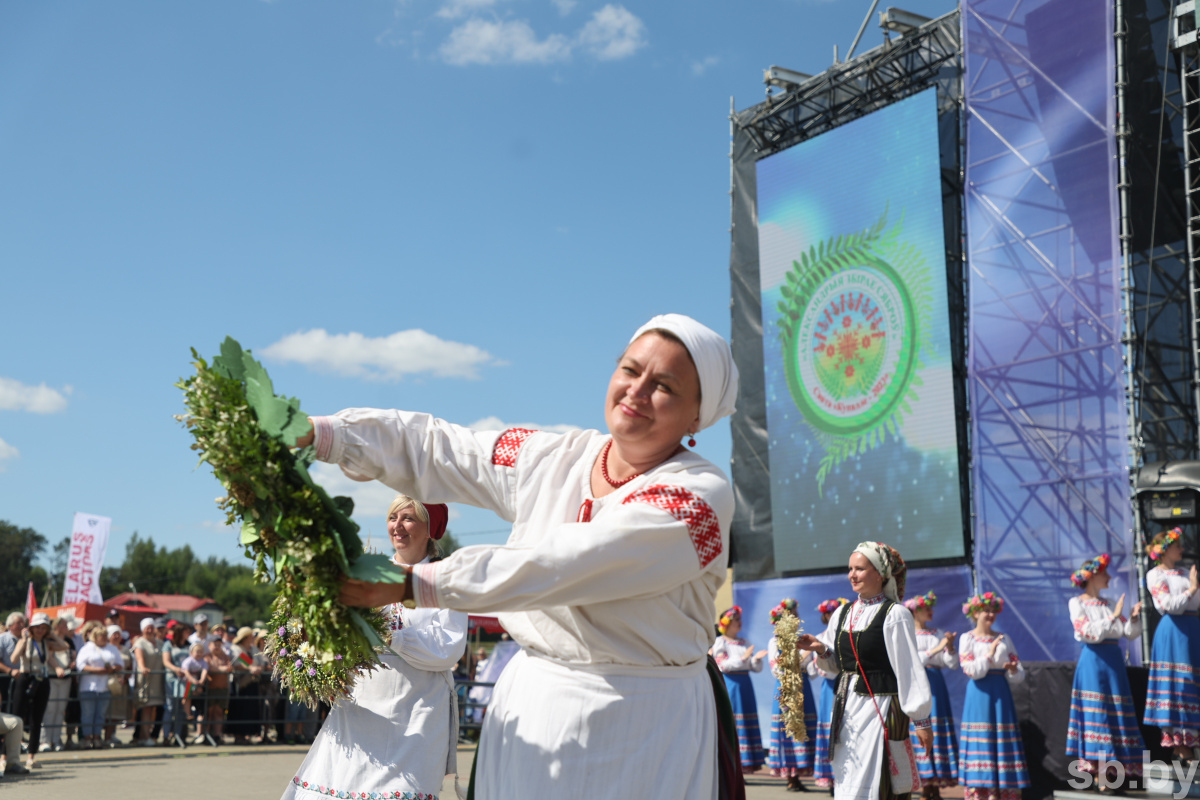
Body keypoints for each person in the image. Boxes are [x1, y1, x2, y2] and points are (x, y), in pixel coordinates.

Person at [301, 313, 738, 799]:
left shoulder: (698, 497)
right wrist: (325, 434)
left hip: (638, 724)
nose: (636, 391)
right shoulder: (554, 457)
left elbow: (572, 562)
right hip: (528, 708)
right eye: (630, 370)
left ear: (698, 414)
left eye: (664, 386)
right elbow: (445, 449)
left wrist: (418, 584)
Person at [282, 497, 468, 799]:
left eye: (408, 518)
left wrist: (391, 635)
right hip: (361, 709)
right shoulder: (369, 573)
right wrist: (327, 669)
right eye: (393, 517)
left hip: (416, 712)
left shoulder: (446, 580)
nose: (397, 526)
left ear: (430, 529)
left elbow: (447, 649)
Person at [797, 543, 933, 800]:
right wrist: (821, 649)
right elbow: (836, 666)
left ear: (881, 573)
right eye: (850, 569)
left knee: (878, 777)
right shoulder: (843, 613)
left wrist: (922, 720)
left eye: (860, 568)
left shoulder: (895, 615)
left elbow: (909, 670)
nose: (852, 575)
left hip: (881, 707)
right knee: (848, 777)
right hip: (847, 709)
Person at [1065, 553, 1144, 784]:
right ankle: (1101, 776)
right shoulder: (1077, 603)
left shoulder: (1109, 604)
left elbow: (1127, 633)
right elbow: (1085, 632)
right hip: (1093, 663)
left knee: (1115, 714)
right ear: (1091, 577)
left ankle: (1114, 773)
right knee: (1097, 714)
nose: (1109, 577)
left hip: (1113, 664)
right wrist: (1114, 617)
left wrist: (1133, 619)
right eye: (1104, 573)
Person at [958, 592, 1028, 800]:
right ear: (975, 613)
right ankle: (981, 793)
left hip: (1000, 694)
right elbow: (971, 670)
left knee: (1000, 739)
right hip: (979, 695)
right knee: (983, 739)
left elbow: (1019, 673)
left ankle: (1003, 792)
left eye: (992, 611)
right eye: (985, 610)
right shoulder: (967, 638)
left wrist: (1013, 669)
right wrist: (989, 655)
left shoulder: (1004, 639)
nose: (990, 614)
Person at [1143, 527, 1200, 761]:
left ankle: (1190, 743)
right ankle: (1182, 745)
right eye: (1177, 545)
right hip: (1174, 632)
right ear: (1164, 551)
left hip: (1192, 629)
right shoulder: (1156, 575)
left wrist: (1194, 587)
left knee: (1193, 683)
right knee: (1180, 685)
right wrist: (1193, 587)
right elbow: (1168, 604)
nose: (1182, 549)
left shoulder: (1186, 572)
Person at [904, 592, 958, 799]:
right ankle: (925, 783)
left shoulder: (938, 633)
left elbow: (951, 664)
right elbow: (912, 662)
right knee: (920, 727)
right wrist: (937, 649)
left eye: (931, 608)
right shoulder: (907, 635)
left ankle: (935, 782)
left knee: (936, 726)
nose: (931, 611)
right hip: (917, 685)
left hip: (935, 686)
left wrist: (950, 647)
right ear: (915, 611)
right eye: (926, 608)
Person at [766, 598, 816, 792]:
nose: (797, 618)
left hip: (803, 689)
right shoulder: (775, 640)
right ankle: (791, 777)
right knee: (788, 730)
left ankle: (800, 773)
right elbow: (776, 668)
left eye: (797, 615)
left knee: (803, 728)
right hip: (787, 690)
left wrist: (812, 659)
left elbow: (811, 670)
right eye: (793, 615)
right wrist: (798, 662)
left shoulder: (802, 640)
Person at [713, 606, 767, 773]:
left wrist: (755, 660)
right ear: (726, 623)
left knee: (747, 720)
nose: (739, 623)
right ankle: (733, 765)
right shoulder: (720, 642)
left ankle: (745, 765)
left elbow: (754, 667)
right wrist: (743, 658)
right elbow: (723, 665)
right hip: (731, 685)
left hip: (745, 685)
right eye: (736, 620)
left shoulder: (745, 642)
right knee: (734, 721)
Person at [12, 612, 68, 768]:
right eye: (37, 627)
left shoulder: (47, 644)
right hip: (26, 678)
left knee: (37, 719)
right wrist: (23, 640)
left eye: (43, 628)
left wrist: (52, 634)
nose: (40, 630)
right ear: (32, 628)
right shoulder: (26, 641)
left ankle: (31, 756)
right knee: (17, 718)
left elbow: (64, 646)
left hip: (42, 680)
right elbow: (14, 659)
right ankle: (8, 756)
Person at [808, 598, 848, 791]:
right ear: (826, 616)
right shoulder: (820, 638)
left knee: (847, 729)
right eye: (833, 613)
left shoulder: (848, 636)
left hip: (848, 687)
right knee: (829, 729)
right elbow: (822, 671)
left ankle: (847, 776)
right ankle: (831, 779)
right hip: (831, 688)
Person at [76, 623, 120, 750]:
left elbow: (120, 663)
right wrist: (97, 670)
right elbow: (80, 665)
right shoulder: (87, 648)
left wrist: (113, 668)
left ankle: (97, 737)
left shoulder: (112, 648)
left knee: (100, 714)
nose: (104, 638)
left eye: (105, 635)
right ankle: (87, 737)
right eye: (101, 636)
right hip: (88, 687)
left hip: (105, 687)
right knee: (88, 713)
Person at [42, 616, 77, 752]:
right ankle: (45, 740)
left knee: (60, 710)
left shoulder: (68, 640)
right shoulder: (48, 640)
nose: (67, 627)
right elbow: (49, 656)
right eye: (64, 625)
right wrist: (57, 667)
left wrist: (72, 664)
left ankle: (56, 739)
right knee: (49, 709)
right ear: (57, 626)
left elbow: (68, 650)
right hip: (52, 677)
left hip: (65, 678)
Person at [228, 626, 265, 745]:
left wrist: (259, 668)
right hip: (241, 684)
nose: (252, 637)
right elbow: (239, 661)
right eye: (250, 636)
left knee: (251, 709)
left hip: (253, 683)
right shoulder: (236, 648)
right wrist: (251, 667)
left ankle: (248, 734)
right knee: (239, 709)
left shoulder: (253, 649)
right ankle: (238, 735)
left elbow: (259, 661)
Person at [132, 617, 165, 746]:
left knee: (154, 709)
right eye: (147, 628)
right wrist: (143, 667)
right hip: (146, 680)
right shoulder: (139, 643)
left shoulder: (160, 643)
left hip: (158, 680)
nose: (150, 630)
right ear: (142, 630)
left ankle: (143, 736)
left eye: (152, 627)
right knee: (146, 708)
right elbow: (139, 658)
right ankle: (145, 736)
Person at [162, 621, 192, 748]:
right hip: (172, 679)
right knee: (170, 708)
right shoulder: (168, 645)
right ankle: (166, 736)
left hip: (185, 680)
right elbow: (166, 661)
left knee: (181, 709)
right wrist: (176, 669)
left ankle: (178, 735)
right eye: (186, 632)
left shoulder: (188, 645)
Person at [103, 625, 132, 748]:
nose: (116, 636)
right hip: (108, 684)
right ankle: (105, 737)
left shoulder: (125, 650)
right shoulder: (106, 649)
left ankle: (111, 735)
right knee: (107, 712)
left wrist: (125, 678)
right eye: (114, 634)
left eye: (118, 634)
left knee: (116, 714)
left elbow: (130, 667)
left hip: (121, 685)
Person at [180, 643, 210, 744]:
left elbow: (205, 671)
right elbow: (186, 672)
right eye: (197, 651)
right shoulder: (188, 661)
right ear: (191, 652)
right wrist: (193, 680)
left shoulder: (203, 662)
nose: (199, 654)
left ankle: (199, 733)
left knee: (201, 710)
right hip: (188, 685)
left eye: (201, 652)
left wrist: (201, 680)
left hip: (199, 687)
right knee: (187, 698)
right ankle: (188, 714)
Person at [0, 613, 25, 715]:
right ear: (10, 625)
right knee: (7, 706)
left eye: (23, 622)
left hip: (23, 677)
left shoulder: (28, 639)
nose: (21, 625)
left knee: (23, 707)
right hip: (6, 678)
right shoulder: (2, 639)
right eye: (18, 623)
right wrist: (10, 671)